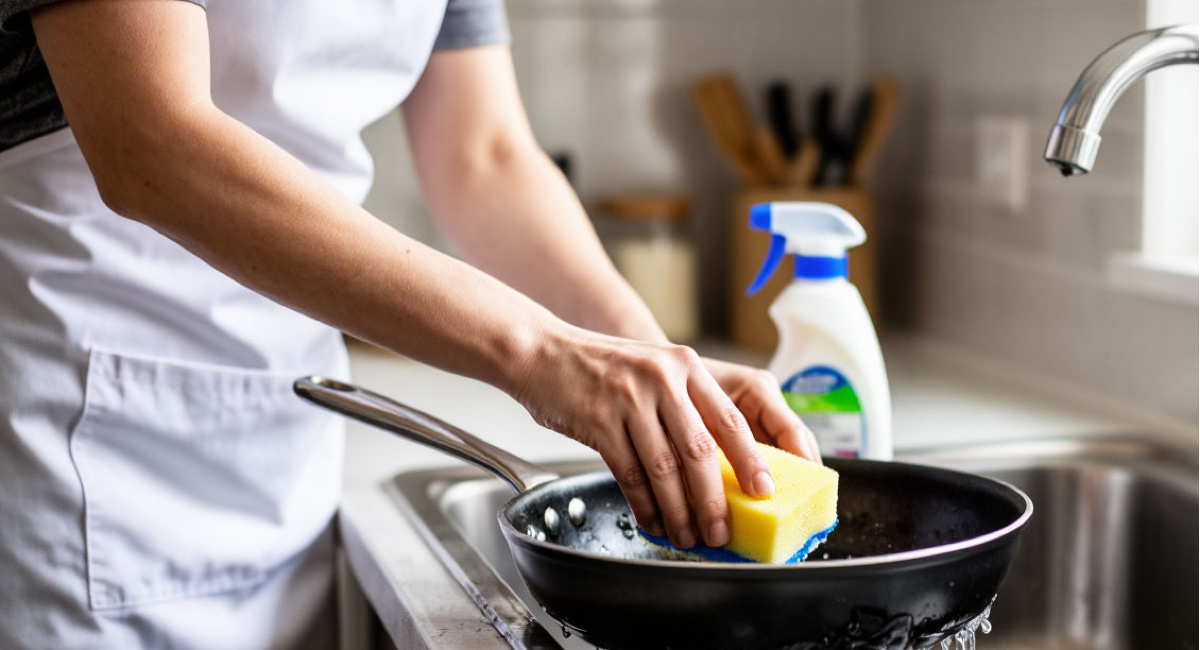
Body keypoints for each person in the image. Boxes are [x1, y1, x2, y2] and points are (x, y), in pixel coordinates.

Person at [0, 0, 821, 646]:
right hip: (75, 428)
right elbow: (149, 142)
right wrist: (544, 353)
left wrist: (654, 368)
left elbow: (483, 155)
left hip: (283, 431)